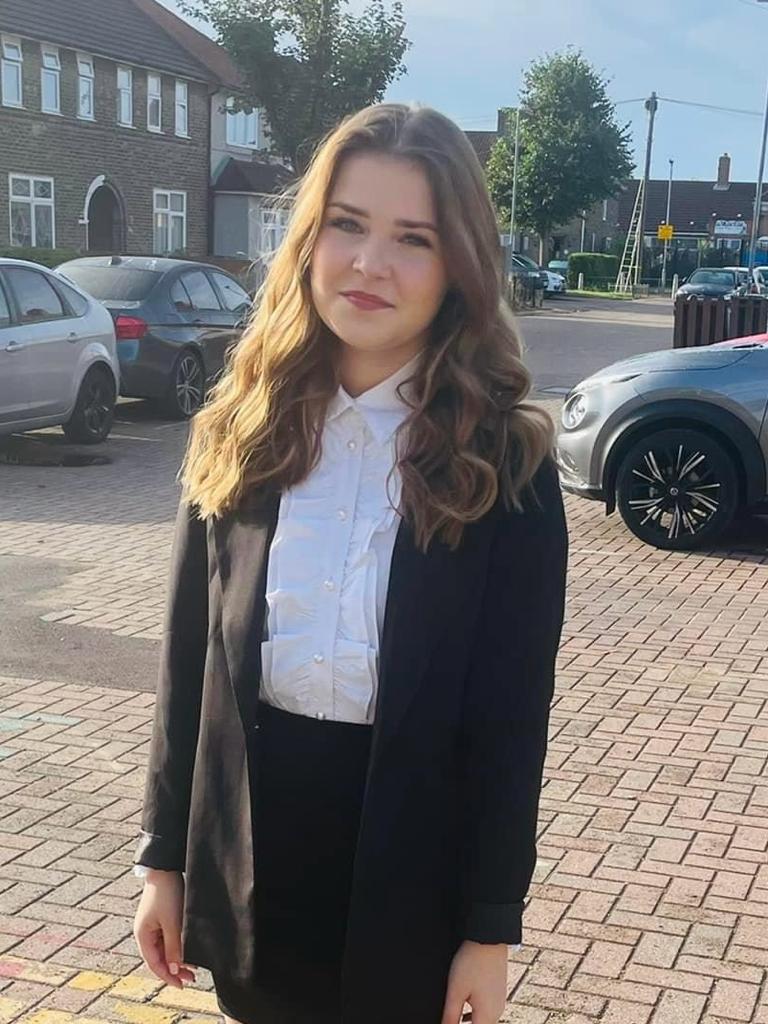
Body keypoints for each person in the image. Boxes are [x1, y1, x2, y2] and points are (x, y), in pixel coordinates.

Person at [132, 102, 568, 1024]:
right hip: (251, 857)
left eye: (414, 238)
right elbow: (188, 666)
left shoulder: (505, 467)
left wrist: (488, 933)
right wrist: (162, 860)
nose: (370, 264)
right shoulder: (240, 430)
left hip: (412, 875)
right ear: (309, 239)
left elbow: (509, 721)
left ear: (458, 268)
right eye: (348, 225)